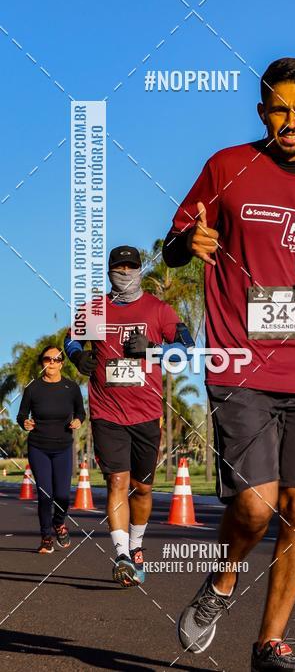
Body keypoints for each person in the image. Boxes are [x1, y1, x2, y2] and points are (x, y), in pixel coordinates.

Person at [163, 57, 295, 671]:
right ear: (262, 112)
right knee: (256, 504)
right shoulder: (227, 167)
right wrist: (187, 243)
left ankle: (269, 645)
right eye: (279, 109)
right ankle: (222, 583)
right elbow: (177, 243)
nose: (291, 121)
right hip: (240, 361)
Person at [64, 245, 195, 587]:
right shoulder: (94, 309)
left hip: (147, 413)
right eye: (118, 267)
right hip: (107, 411)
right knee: (117, 483)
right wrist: (78, 358)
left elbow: (188, 348)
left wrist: (153, 349)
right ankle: (122, 554)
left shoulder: (158, 309)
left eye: (130, 267)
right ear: (109, 272)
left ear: (139, 269)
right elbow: (70, 341)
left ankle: (137, 546)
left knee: (143, 488)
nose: (124, 272)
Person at [16, 346, 86, 554]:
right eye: (48, 359)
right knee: (45, 495)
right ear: (42, 363)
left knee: (63, 495)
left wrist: (78, 420)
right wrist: (25, 423)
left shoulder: (71, 388)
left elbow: (81, 412)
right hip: (39, 447)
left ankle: (59, 523)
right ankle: (46, 537)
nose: (52, 363)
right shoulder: (33, 388)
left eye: (56, 359)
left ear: (62, 363)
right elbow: (21, 415)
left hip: (63, 447)